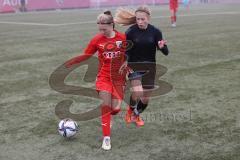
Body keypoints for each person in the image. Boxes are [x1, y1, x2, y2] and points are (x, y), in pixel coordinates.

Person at [65, 11, 127, 150]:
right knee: (105, 106)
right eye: (99, 29)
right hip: (103, 77)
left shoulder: (122, 38)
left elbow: (129, 54)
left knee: (115, 109)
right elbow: (86, 55)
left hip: (119, 79)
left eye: (104, 29)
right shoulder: (96, 40)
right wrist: (72, 62)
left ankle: (109, 118)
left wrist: (127, 64)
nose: (102, 32)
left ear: (112, 25)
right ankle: (106, 138)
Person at [115, 6, 169, 127]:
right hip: (134, 65)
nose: (140, 22)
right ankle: (130, 111)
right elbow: (127, 51)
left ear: (148, 18)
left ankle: (135, 114)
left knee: (145, 99)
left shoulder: (155, 32)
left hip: (150, 67)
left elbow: (166, 52)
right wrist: (126, 60)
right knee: (137, 92)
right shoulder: (130, 32)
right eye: (138, 19)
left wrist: (162, 47)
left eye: (142, 19)